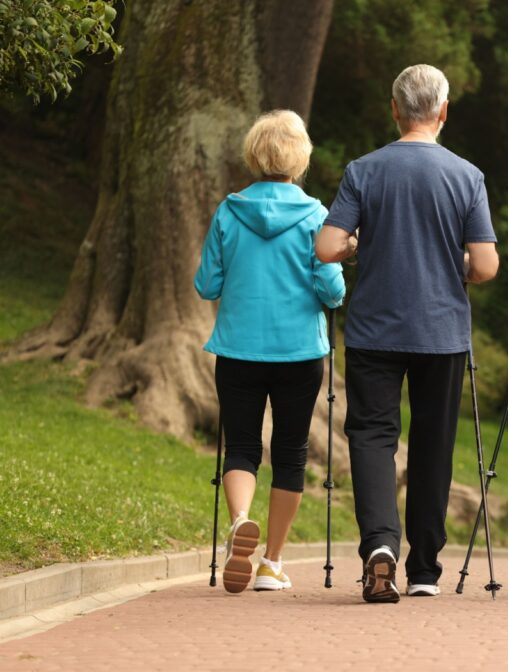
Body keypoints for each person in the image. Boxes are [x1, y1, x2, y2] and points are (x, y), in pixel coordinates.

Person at [316, 64, 499, 603]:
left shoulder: (364, 170)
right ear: (443, 113)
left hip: (375, 328)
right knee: (432, 443)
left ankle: (380, 546)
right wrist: (452, 263)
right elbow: (486, 266)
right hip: (441, 330)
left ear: (394, 110)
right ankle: (424, 568)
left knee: (371, 436)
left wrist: (358, 247)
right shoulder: (466, 176)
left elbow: (327, 247)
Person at [194, 110, 346, 594]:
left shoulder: (228, 210)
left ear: (254, 154)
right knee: (291, 454)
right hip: (299, 351)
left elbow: (207, 284)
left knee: (240, 445)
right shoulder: (316, 216)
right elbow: (331, 291)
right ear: (300, 158)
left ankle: (240, 520)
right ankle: (271, 563)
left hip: (238, 347)